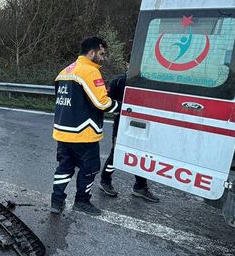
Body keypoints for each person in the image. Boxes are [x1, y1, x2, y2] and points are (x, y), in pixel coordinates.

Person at [50, 36, 120, 216]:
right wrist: (121, 107)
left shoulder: (63, 72)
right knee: (89, 169)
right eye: (101, 54)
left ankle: (56, 202)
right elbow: (102, 103)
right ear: (92, 52)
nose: (103, 58)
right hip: (84, 133)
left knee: (64, 168)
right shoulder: (90, 71)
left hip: (63, 132)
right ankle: (82, 201)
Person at [98, 72, 160, 202]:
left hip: (143, 125)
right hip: (122, 125)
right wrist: (119, 110)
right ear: (128, 63)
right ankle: (105, 181)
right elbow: (108, 103)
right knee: (116, 153)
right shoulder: (118, 81)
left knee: (140, 155)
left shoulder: (149, 81)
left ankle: (140, 187)